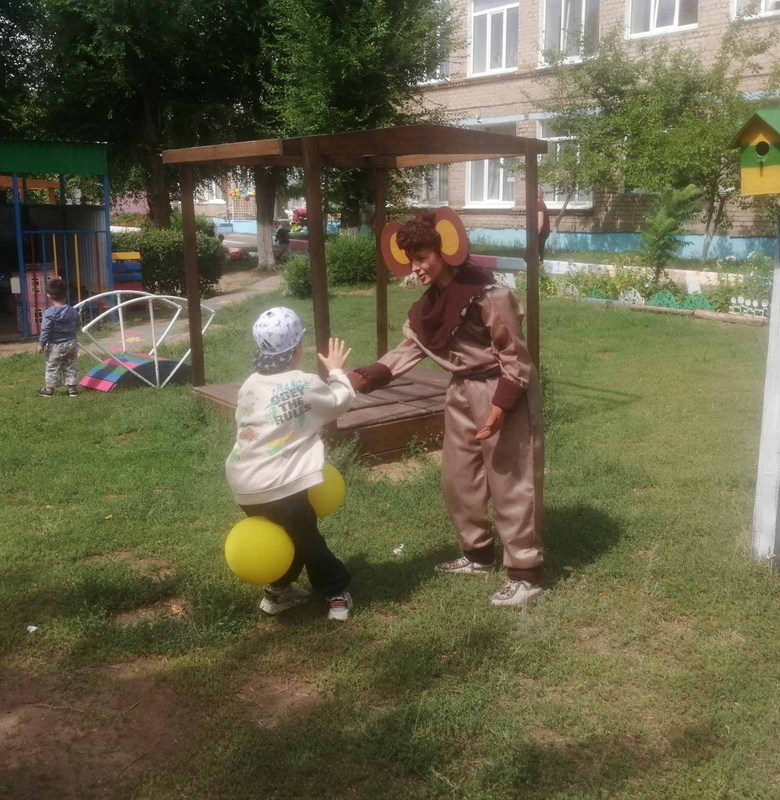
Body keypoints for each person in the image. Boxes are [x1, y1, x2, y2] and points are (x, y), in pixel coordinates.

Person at [350, 209, 544, 607]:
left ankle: (525, 573)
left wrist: (501, 406)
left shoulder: (490, 296)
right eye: (411, 260)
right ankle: (477, 554)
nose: (415, 267)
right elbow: (409, 350)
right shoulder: (429, 307)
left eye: (422, 257)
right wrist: (364, 377)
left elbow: (515, 357)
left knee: (509, 479)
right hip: (460, 392)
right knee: (459, 478)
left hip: (499, 388)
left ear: (444, 251)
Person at [225, 307, 356, 621]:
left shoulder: (249, 385)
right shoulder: (304, 383)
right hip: (282, 485)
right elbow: (339, 401)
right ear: (297, 348)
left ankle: (277, 593)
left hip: (244, 483)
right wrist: (337, 372)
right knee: (308, 540)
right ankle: (337, 595)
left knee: (284, 537)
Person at [36, 277, 80, 398]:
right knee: (70, 365)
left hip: (56, 345)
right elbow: (78, 324)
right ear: (67, 293)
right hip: (72, 343)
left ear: (49, 296)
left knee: (52, 366)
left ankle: (49, 389)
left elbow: (46, 330)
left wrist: (42, 344)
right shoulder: (73, 311)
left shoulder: (49, 313)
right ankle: (72, 389)